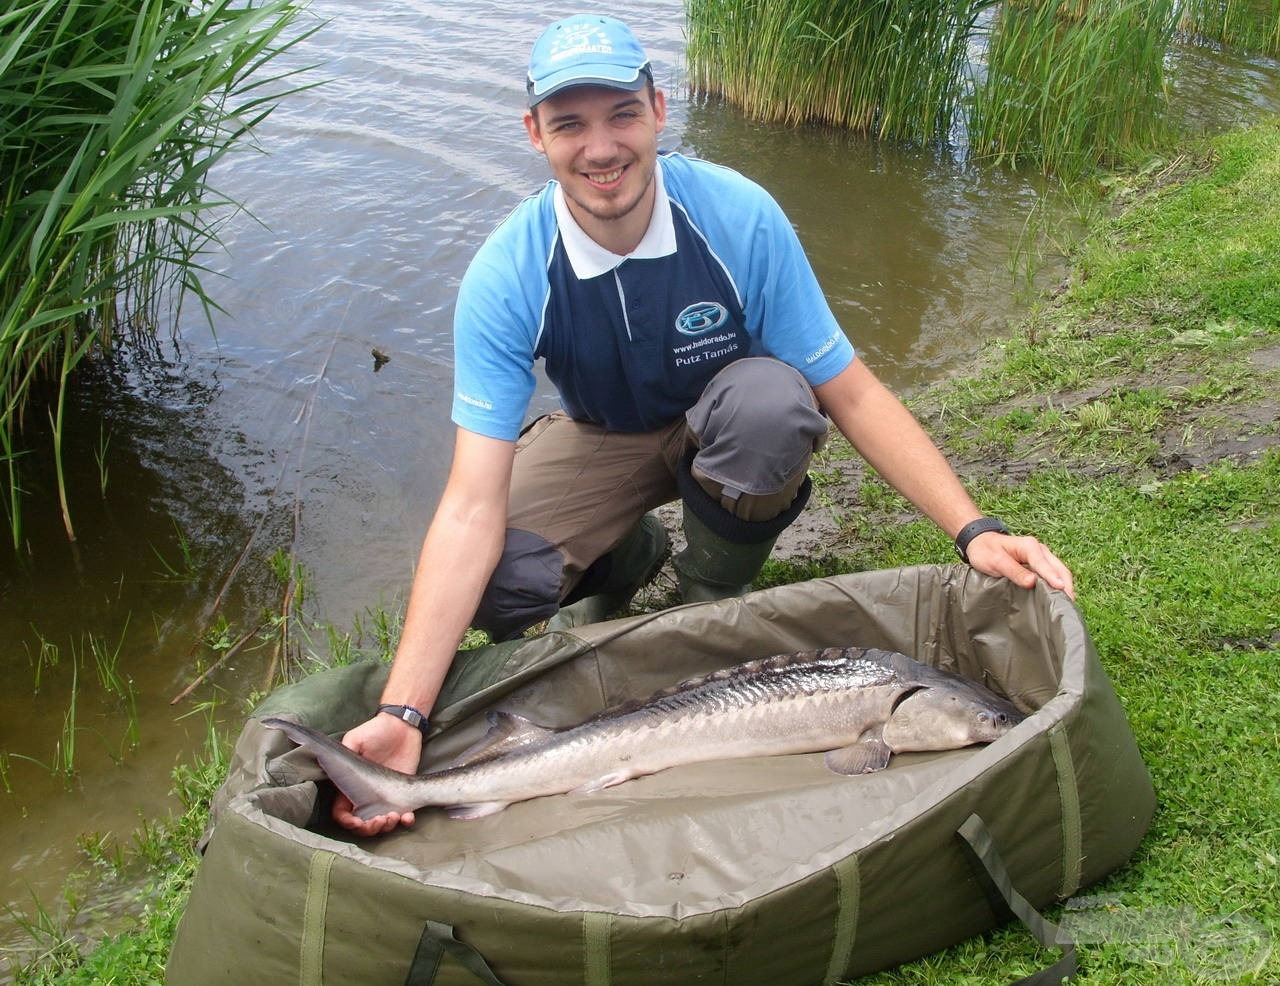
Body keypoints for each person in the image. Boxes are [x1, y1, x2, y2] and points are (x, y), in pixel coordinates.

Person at [333, 14, 1074, 835]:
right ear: (534, 133)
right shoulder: (506, 272)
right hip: (601, 438)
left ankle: (714, 587)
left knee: (775, 402)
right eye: (569, 123)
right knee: (500, 572)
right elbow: (469, 503)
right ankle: (628, 557)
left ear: (658, 109)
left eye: (621, 114)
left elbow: (852, 393)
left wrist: (974, 530)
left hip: (725, 423)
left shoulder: (738, 216)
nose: (600, 147)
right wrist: (404, 713)